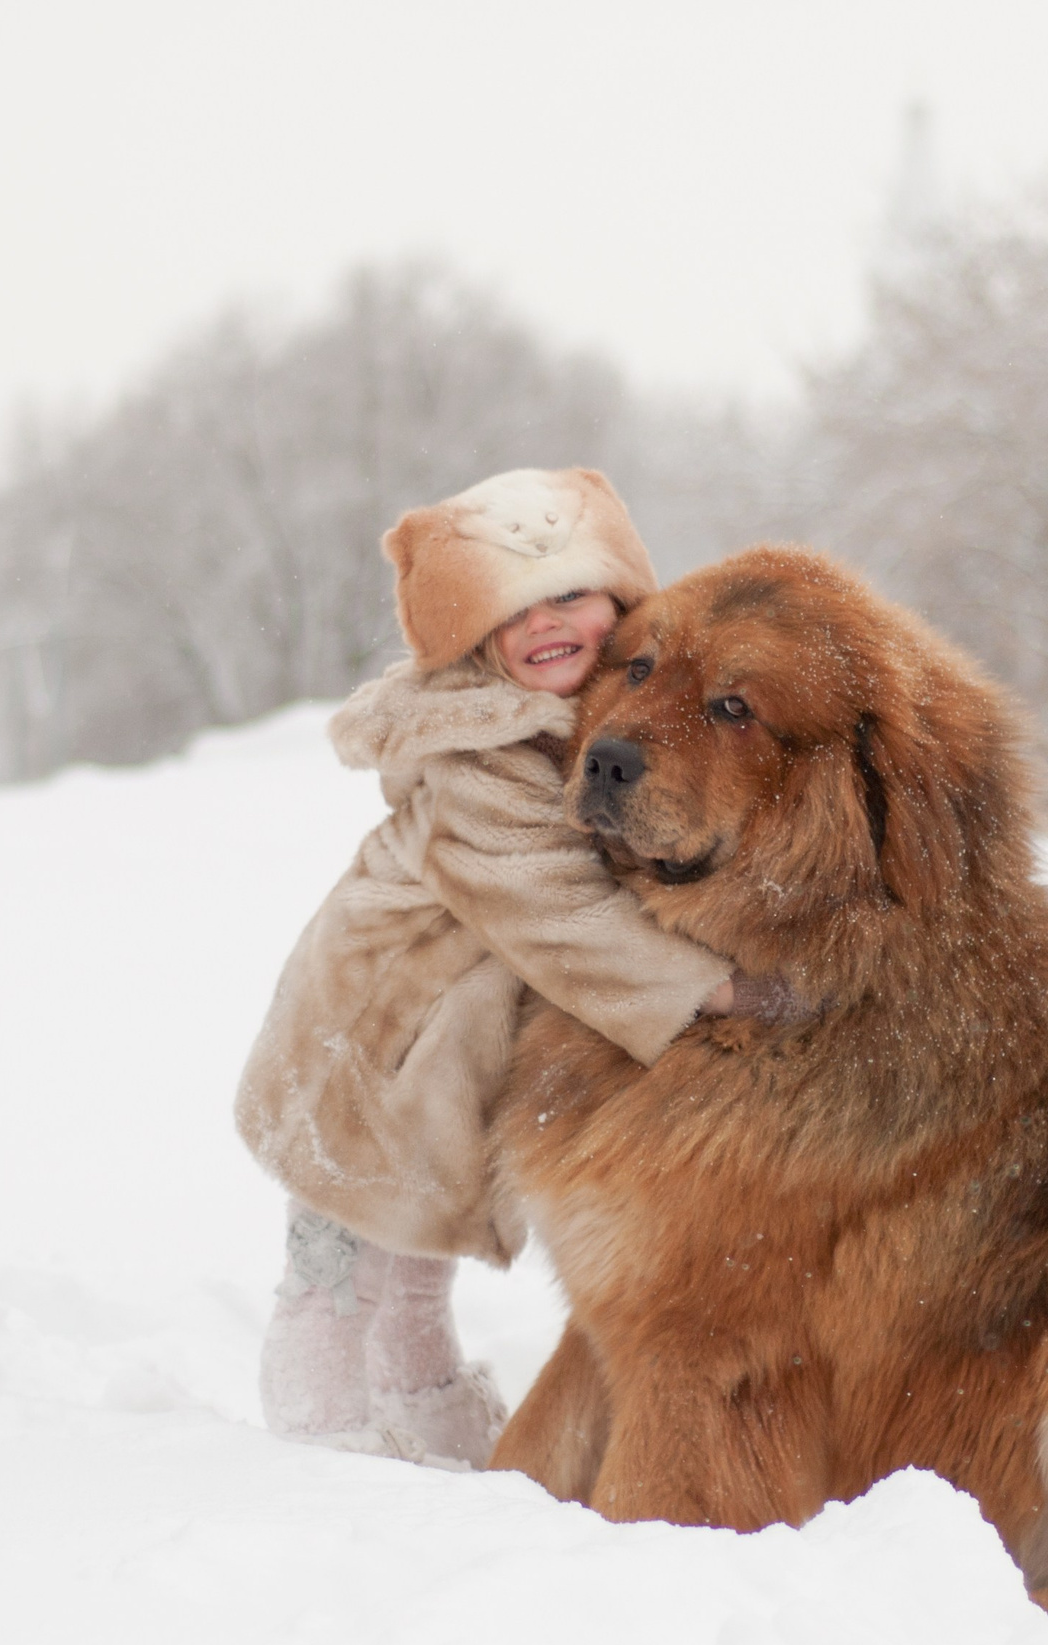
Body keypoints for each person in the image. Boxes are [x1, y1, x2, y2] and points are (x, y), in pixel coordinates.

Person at [234, 467, 779, 1466]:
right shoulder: (477, 750)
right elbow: (552, 907)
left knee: (413, 1265)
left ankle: (430, 1411)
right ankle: (316, 1437)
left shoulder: (585, 720)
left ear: (621, 600)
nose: (547, 623)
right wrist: (704, 986)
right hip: (375, 1037)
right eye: (513, 610)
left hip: (453, 1047)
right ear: (473, 639)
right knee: (340, 1253)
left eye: (570, 593)